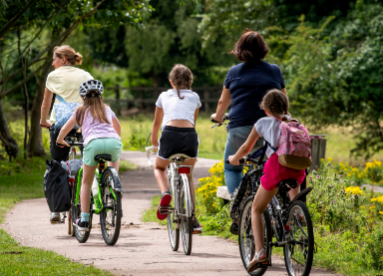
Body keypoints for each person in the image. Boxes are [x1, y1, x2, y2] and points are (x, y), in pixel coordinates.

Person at [228, 89, 306, 272]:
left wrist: (234, 158)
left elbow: (247, 147)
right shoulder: (294, 122)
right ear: (286, 107)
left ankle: (260, 253)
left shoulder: (263, 122)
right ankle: (297, 211)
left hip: (277, 168)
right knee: (292, 188)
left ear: (266, 109)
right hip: (297, 168)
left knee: (256, 208)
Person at [211, 29, 287, 196]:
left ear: (240, 49)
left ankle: (239, 209)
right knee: (270, 166)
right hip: (270, 129)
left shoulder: (234, 72)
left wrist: (217, 117)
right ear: (263, 49)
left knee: (232, 166)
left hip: (240, 128)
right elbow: (283, 100)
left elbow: (224, 101)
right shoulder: (274, 70)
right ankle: (271, 208)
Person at [56, 79, 122, 231]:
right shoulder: (107, 109)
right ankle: (114, 189)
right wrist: (114, 139)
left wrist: (60, 140)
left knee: (86, 181)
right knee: (113, 171)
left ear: (82, 97)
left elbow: (65, 129)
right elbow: (117, 127)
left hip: (93, 144)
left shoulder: (80, 111)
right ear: (101, 96)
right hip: (113, 143)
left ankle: (84, 220)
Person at [40, 45, 93, 222]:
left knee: (57, 163)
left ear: (63, 59)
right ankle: (89, 199)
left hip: (60, 124)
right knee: (89, 162)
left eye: (54, 60)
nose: (53, 64)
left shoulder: (53, 76)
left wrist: (43, 121)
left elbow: (46, 105)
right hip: (83, 124)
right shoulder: (86, 75)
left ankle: (56, 210)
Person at [150, 64, 202, 233]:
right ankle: (192, 218)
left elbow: (157, 123)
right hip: (189, 136)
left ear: (171, 82)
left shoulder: (163, 95)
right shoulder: (195, 97)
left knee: (159, 166)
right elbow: (192, 122)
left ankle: (165, 192)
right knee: (188, 172)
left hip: (170, 134)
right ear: (190, 81)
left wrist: (154, 142)